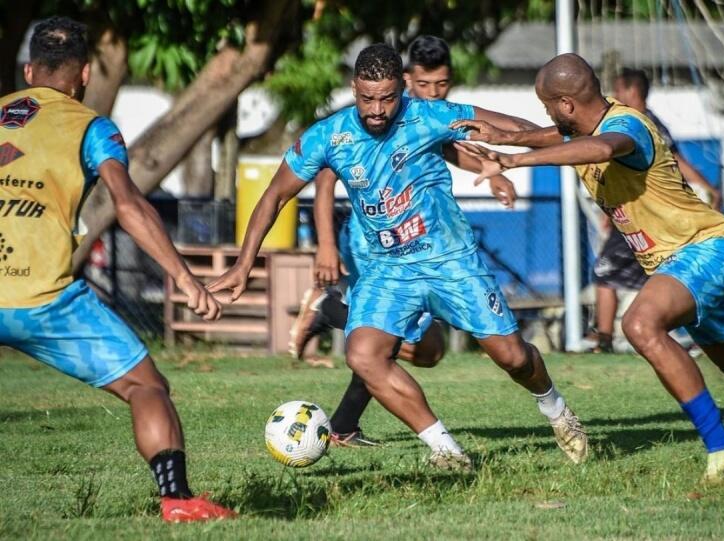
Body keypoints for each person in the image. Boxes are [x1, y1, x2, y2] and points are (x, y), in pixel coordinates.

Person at [211, 44, 588, 470]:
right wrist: (244, 265)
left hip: (450, 260)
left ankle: (557, 410)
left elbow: (511, 127)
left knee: (513, 358)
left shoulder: (430, 116)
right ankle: (446, 451)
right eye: (367, 98)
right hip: (387, 270)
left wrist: (572, 131)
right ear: (353, 88)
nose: (377, 110)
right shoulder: (328, 136)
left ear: (401, 90)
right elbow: (275, 195)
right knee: (364, 355)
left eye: (387, 98)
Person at [453, 53, 724, 481]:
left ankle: (722, 451)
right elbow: (556, 137)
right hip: (685, 256)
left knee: (640, 323)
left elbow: (600, 147)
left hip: (701, 249)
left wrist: (514, 160)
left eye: (548, 107)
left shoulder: (627, 125)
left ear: (565, 104)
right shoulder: (588, 125)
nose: (548, 117)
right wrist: (506, 137)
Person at [0, 17, 236, 521]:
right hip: (39, 298)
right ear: (85, 75)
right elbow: (127, 204)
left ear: (27, 70)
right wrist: (185, 278)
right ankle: (177, 500)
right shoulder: (92, 126)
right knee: (146, 386)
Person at [289, 35, 518, 447]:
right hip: (374, 244)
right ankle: (343, 420)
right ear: (407, 78)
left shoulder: (421, 116)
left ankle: (332, 316)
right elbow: (324, 177)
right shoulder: (369, 116)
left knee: (427, 351)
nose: (433, 92)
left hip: (421, 244)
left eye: (442, 85)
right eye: (425, 85)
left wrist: (491, 168)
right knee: (382, 341)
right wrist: (325, 243)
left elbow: (448, 150)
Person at [586, 68, 723, 354]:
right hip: (637, 212)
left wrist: (707, 188)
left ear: (632, 92)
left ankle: (604, 340)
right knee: (667, 276)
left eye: (618, 90)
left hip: (646, 215)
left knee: (605, 271)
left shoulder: (639, 124)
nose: (614, 96)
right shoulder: (635, 122)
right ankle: (705, 335)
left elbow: (674, 159)